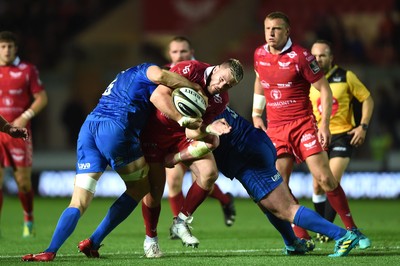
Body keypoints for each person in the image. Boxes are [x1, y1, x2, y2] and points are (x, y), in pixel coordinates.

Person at [77, 106, 362, 258]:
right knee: (268, 205)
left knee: (283, 207)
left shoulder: (192, 103)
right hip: (248, 151)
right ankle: (292, 243)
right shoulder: (193, 100)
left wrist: (187, 146)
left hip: (247, 152)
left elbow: (198, 142)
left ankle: (343, 236)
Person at [21, 63, 204, 262]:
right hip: (116, 129)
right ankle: (94, 241)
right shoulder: (149, 69)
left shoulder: (125, 75)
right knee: (140, 187)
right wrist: (194, 88)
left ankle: (50, 250)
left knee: (79, 201)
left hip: (90, 127)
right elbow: (160, 75)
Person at [76, 58, 243, 258]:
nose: (222, 86)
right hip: (154, 132)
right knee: (155, 192)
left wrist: (208, 129)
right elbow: (158, 96)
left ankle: (180, 222)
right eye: (222, 80)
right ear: (216, 70)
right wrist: (181, 118)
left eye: (229, 85)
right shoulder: (190, 69)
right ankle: (151, 239)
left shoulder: (221, 100)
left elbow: (192, 132)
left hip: (182, 136)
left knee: (209, 171)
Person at [251, 11, 370, 249]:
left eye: (276, 29)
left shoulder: (302, 56)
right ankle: (299, 236)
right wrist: (256, 113)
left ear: (287, 31)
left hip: (302, 125)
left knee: (325, 178)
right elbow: (259, 80)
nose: (271, 34)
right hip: (276, 128)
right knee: (280, 187)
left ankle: (352, 229)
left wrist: (323, 124)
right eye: (267, 29)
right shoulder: (259, 54)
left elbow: (324, 90)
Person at [165, 36, 236, 227]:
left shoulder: (203, 75)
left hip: (191, 132)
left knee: (206, 177)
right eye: (175, 52)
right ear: (169, 54)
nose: (179, 55)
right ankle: (178, 225)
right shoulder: (166, 73)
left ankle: (225, 200)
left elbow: (199, 126)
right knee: (173, 180)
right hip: (170, 133)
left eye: (183, 51)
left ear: (191, 52)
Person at [309, 40, 374, 242]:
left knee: (330, 180)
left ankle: (327, 230)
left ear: (331, 57)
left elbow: (367, 99)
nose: (318, 59)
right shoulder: (308, 80)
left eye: (323, 55)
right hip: (317, 136)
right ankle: (322, 228)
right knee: (317, 186)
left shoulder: (346, 76)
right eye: (315, 56)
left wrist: (362, 126)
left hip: (342, 135)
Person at [0, 31, 48, 238]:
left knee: (24, 182)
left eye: (10, 46)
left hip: (19, 132)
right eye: (2, 46)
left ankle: (28, 219)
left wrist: (25, 116)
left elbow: (42, 98)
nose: (7, 50)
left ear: (16, 48)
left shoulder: (27, 70)